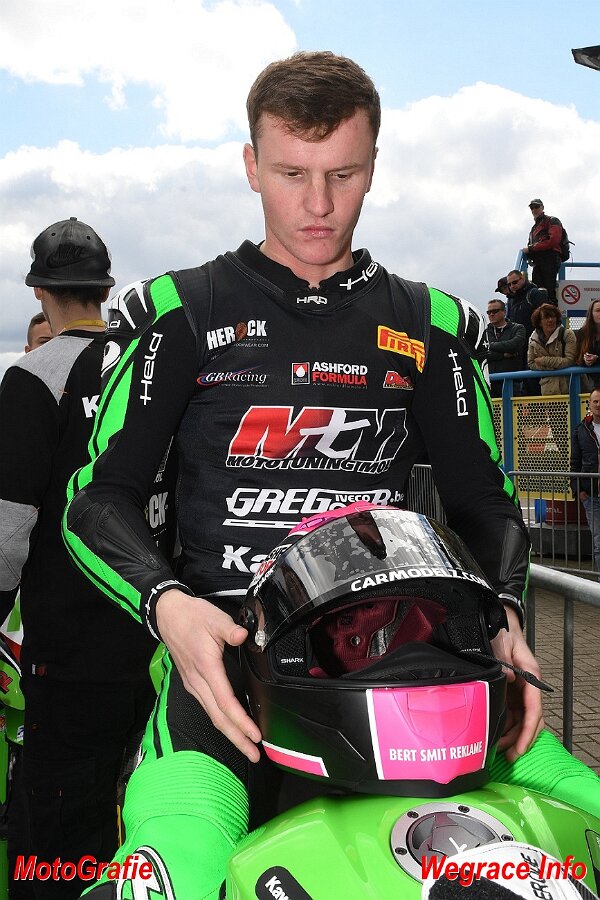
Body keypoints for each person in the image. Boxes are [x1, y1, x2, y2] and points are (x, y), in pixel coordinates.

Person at [63, 52, 543, 897]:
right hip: (224, 669)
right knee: (177, 869)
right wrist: (165, 604)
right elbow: (95, 502)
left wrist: (502, 612)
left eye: (342, 175)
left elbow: (486, 503)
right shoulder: (181, 311)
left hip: (396, 663)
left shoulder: (429, 324)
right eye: (292, 174)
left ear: (373, 167)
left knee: (564, 835)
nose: (318, 204)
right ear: (252, 166)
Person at [0, 218, 159, 900]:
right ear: (105, 288)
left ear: (39, 291)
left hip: (69, 655)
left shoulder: (33, 378)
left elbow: (8, 529)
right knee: (142, 818)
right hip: (159, 644)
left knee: (56, 835)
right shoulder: (149, 368)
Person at [571, 387, 600, 580]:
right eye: (595, 401)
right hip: (592, 496)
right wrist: (579, 491)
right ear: (589, 404)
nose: (598, 405)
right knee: (599, 542)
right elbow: (575, 462)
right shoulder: (580, 430)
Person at [527, 303, 577, 395]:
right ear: (539, 322)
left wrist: (544, 361)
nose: (550, 320)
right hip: (548, 390)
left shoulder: (567, 334)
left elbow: (570, 360)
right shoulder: (533, 339)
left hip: (571, 386)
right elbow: (531, 363)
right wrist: (557, 365)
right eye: (546, 317)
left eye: (553, 317)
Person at [523, 199, 563, 302]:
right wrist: (530, 252)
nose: (534, 209)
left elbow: (553, 241)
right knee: (538, 290)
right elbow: (531, 244)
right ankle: (542, 310)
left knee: (549, 290)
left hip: (550, 258)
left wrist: (531, 248)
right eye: (532, 208)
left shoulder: (552, 220)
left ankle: (551, 309)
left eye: (536, 207)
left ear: (542, 207)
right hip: (538, 262)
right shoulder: (534, 228)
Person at [485, 299, 526, 397]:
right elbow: (482, 353)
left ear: (504, 312)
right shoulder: (484, 331)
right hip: (490, 382)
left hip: (512, 382)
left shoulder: (518, 328)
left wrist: (490, 345)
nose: (491, 314)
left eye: (495, 311)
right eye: (489, 312)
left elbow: (514, 345)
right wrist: (503, 355)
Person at [576, 298, 600, 390]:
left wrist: (597, 359)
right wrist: (585, 359)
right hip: (590, 380)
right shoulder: (582, 333)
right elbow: (577, 356)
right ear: (591, 314)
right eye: (598, 310)